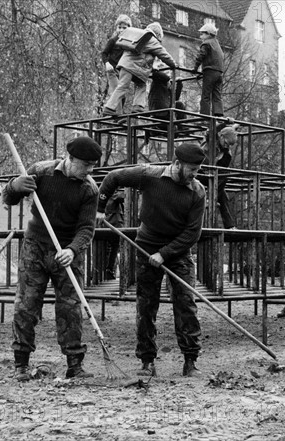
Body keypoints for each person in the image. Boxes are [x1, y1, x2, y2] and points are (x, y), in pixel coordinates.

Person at [96, 143, 206, 377]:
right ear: (177, 164)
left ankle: (190, 361)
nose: (195, 175)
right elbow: (113, 177)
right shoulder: (149, 175)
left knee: (186, 304)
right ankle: (147, 361)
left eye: (198, 170)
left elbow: (192, 234)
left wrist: (164, 254)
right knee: (146, 306)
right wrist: (99, 208)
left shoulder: (197, 192)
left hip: (178, 251)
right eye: (191, 169)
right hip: (146, 247)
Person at [3, 136, 103, 382]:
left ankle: (74, 365)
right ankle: (21, 364)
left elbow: (86, 229)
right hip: (35, 246)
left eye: (93, 165)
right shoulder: (41, 171)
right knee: (26, 305)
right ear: (69, 159)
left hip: (67, 252)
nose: (89, 170)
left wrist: (73, 249)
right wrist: (16, 185)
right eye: (85, 164)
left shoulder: (89, 189)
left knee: (70, 307)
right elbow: (8, 198)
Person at [103, 22, 176, 116]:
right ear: (158, 35)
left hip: (125, 64)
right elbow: (163, 54)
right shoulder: (152, 39)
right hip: (135, 68)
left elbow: (142, 54)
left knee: (133, 85)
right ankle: (112, 107)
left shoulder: (138, 36)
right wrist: (173, 64)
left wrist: (151, 68)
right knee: (135, 86)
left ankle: (136, 107)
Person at [199, 122, 238, 229]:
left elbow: (222, 172)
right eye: (226, 143)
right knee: (219, 187)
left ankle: (230, 225)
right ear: (221, 136)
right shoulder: (211, 141)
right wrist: (224, 123)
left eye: (230, 145)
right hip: (199, 173)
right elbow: (211, 129)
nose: (227, 146)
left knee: (222, 194)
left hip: (211, 177)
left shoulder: (226, 154)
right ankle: (210, 197)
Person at [100, 14, 132, 114]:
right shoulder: (113, 41)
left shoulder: (129, 43)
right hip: (112, 69)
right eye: (119, 27)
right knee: (116, 90)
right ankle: (118, 114)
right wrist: (106, 63)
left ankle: (118, 115)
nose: (121, 30)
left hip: (122, 70)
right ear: (116, 28)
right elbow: (104, 53)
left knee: (122, 93)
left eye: (124, 28)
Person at [145, 68, 186, 143]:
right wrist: (169, 79)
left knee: (179, 104)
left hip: (166, 111)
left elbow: (175, 97)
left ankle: (181, 128)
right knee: (172, 130)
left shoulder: (167, 89)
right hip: (159, 110)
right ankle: (153, 130)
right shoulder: (157, 83)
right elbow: (157, 74)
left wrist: (179, 84)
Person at [193, 23, 224, 117]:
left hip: (210, 72)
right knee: (216, 94)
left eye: (202, 34)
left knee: (205, 95)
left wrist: (195, 68)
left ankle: (204, 116)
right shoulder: (217, 44)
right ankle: (218, 115)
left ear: (208, 34)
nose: (201, 36)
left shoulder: (206, 43)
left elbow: (201, 56)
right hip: (219, 73)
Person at [97, 188, 125, 280]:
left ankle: (105, 271)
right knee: (112, 248)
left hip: (107, 226)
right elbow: (122, 196)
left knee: (108, 249)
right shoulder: (113, 195)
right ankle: (107, 270)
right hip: (113, 227)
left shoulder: (103, 196)